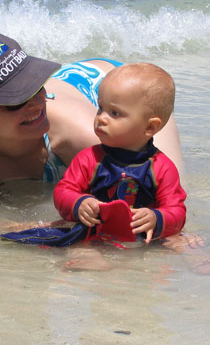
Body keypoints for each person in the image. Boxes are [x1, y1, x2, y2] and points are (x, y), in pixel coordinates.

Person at [0, 32, 183, 191]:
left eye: (36, 85)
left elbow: (164, 199)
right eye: (17, 100)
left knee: (166, 180)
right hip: (72, 97)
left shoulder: (86, 135)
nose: (37, 103)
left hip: (124, 94)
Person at [53, 63, 186, 244]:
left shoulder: (162, 168)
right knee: (75, 242)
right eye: (100, 107)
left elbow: (177, 211)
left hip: (142, 237)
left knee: (182, 243)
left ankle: (204, 262)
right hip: (95, 229)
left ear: (150, 127)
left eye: (114, 113)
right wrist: (78, 203)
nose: (101, 117)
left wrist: (156, 217)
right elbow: (63, 191)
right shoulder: (89, 159)